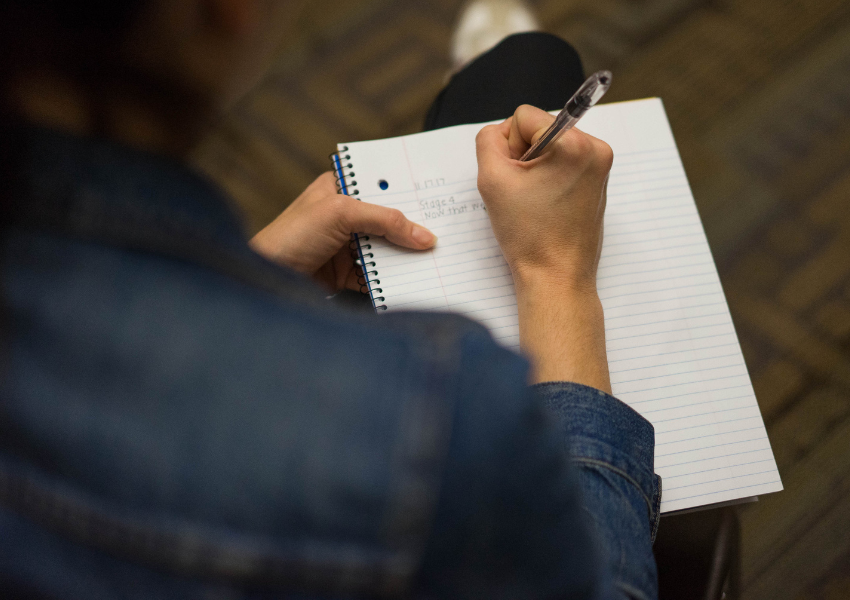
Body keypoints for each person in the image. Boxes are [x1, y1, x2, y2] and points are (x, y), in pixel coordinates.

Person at [0, 0, 660, 598]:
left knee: (519, 68)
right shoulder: (439, 414)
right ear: (232, 12)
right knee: (534, 68)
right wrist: (556, 273)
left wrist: (248, 278)